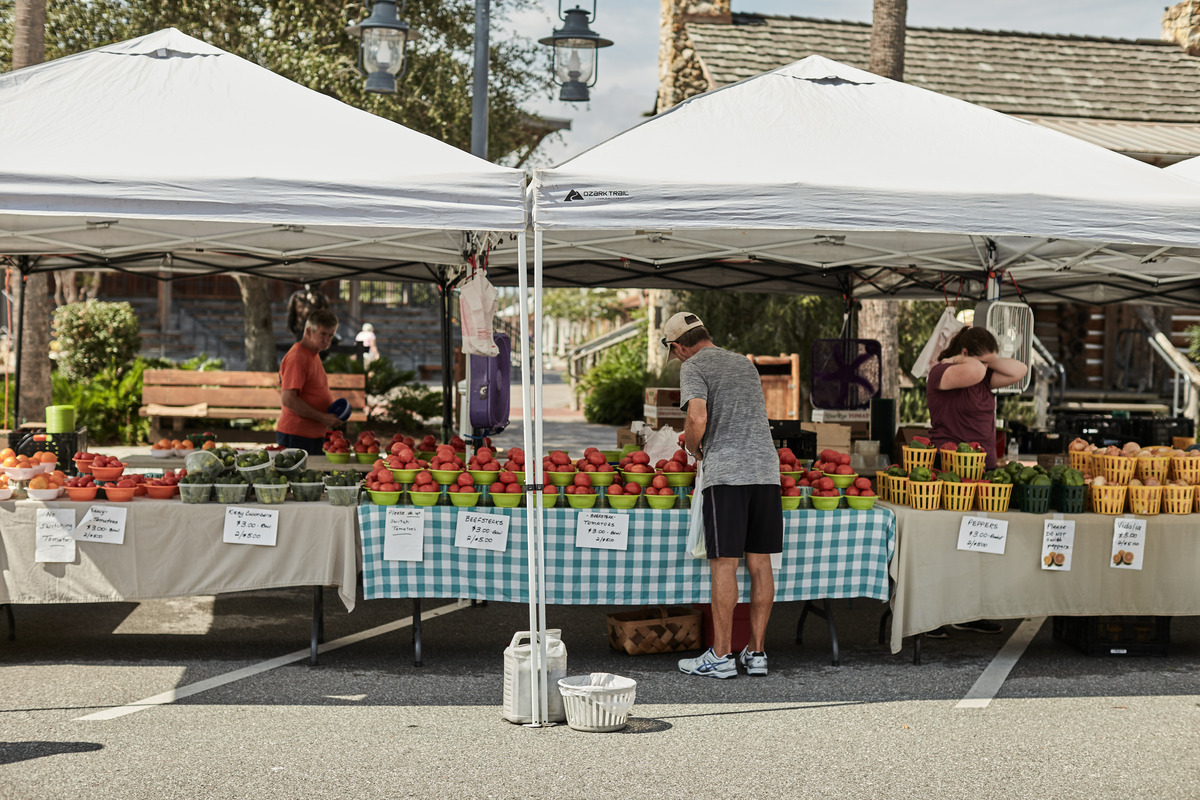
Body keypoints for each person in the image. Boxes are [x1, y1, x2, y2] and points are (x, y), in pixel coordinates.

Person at [668, 312, 783, 679]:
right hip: (766, 471)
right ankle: (758, 653)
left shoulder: (693, 366)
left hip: (728, 472)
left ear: (678, 346)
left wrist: (693, 447)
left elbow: (698, 418)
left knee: (724, 564)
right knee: (760, 563)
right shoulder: (743, 363)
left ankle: (720, 655)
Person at [924, 325, 1028, 637]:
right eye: (982, 359)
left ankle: (969, 611)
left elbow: (1019, 370)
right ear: (966, 354)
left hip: (984, 471)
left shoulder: (982, 374)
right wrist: (964, 358)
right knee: (944, 544)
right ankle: (933, 615)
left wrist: (988, 359)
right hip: (951, 470)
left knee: (978, 545)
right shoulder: (942, 372)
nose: (987, 367)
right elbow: (971, 371)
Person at [276, 308, 342, 455]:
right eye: (323, 334)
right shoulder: (298, 357)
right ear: (308, 332)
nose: (327, 340)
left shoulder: (313, 353)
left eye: (331, 335)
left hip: (312, 434)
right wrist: (323, 417)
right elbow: (288, 400)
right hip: (297, 435)